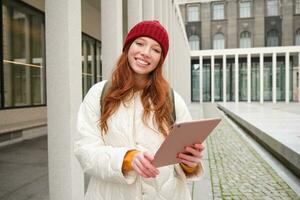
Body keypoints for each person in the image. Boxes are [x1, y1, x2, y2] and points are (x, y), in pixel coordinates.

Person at [74, 20, 205, 200]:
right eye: (140, 43)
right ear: (128, 47)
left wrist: (190, 163)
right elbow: (85, 151)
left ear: (161, 58)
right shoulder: (98, 94)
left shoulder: (172, 100)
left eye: (156, 49)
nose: (145, 53)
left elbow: (183, 156)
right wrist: (127, 159)